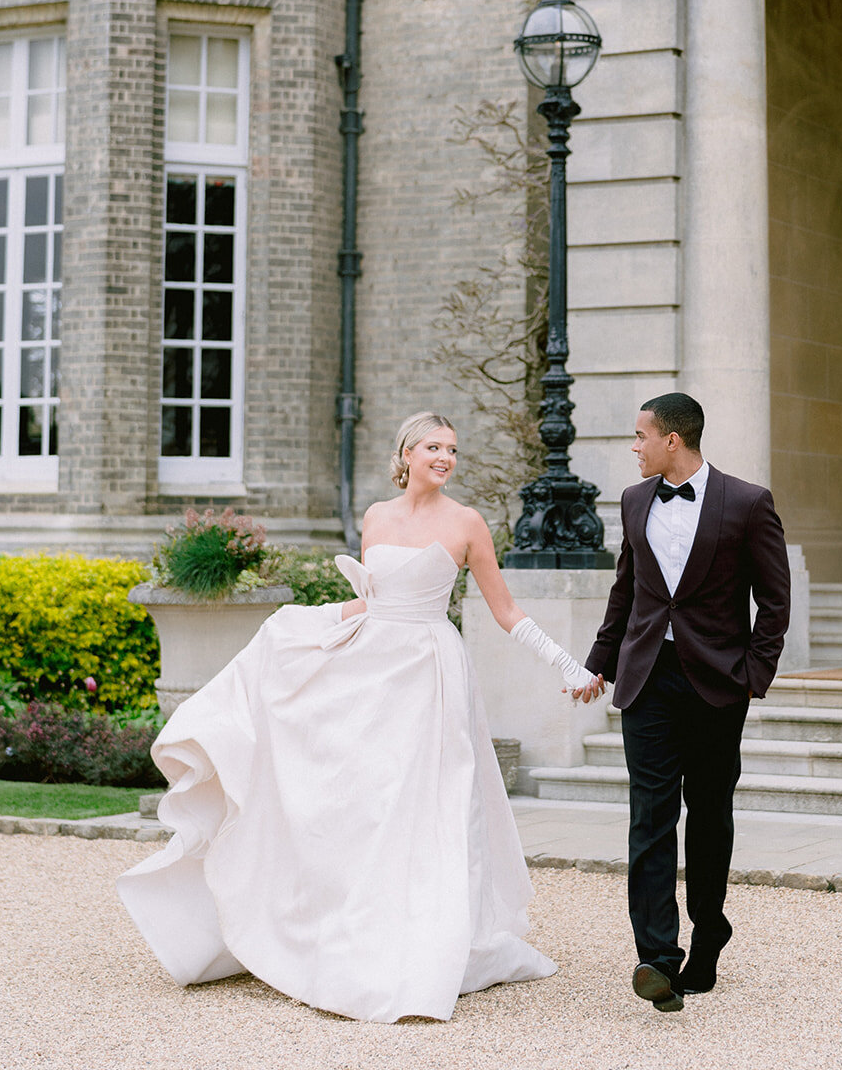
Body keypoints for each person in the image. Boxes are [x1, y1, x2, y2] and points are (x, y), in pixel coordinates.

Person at [118, 411, 603, 1024]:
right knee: (359, 801)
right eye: (433, 446)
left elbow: (506, 611)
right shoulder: (377, 517)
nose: (445, 457)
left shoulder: (466, 523)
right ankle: (340, 929)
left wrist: (568, 664)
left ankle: (432, 938)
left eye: (452, 449)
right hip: (371, 670)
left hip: (429, 673)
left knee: (428, 803)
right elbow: (374, 601)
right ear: (406, 452)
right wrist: (304, 628)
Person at [583, 393, 790, 1014]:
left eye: (641, 435)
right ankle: (656, 957)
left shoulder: (748, 503)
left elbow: (774, 602)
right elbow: (628, 588)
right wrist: (600, 661)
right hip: (646, 677)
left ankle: (709, 932)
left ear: (673, 439)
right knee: (649, 815)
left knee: (707, 813)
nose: (634, 446)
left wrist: (753, 675)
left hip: (717, 682)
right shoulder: (633, 500)